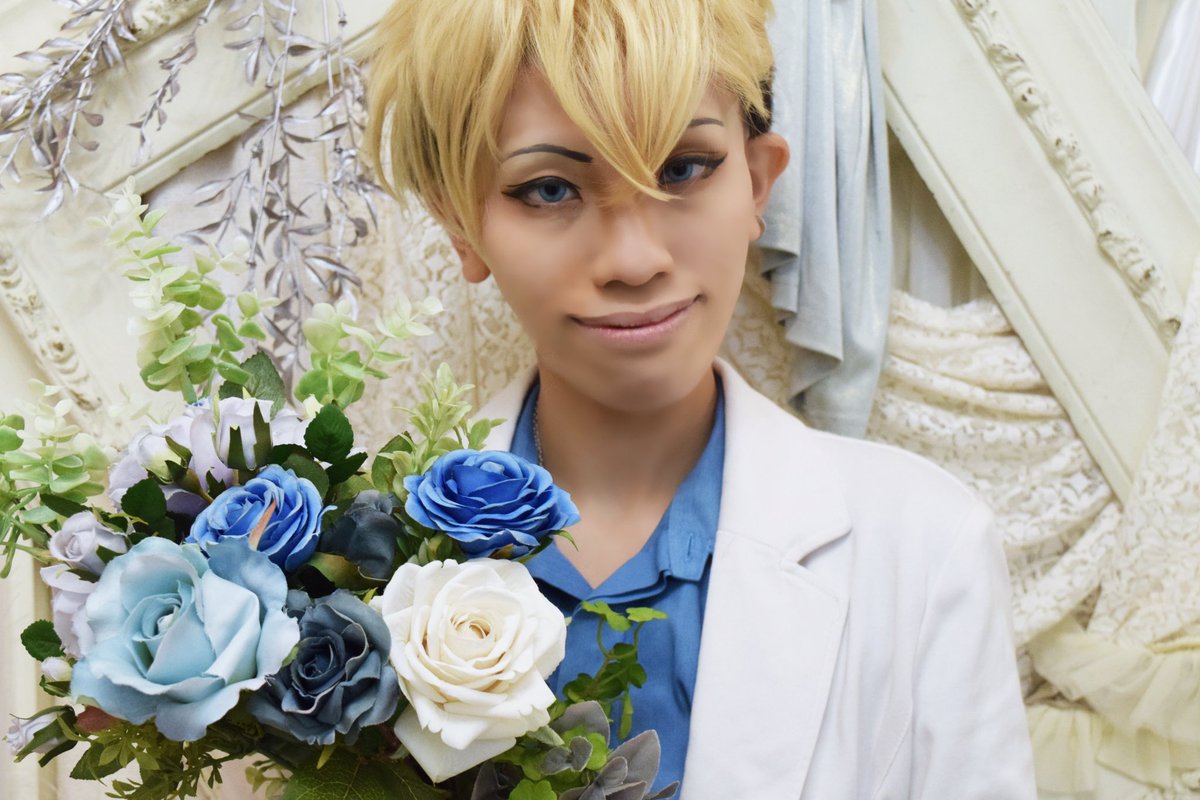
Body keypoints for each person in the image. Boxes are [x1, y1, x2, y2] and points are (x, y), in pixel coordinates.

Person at [365, 1, 1036, 797]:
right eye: (548, 189)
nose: (634, 260)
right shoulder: (348, 565)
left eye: (682, 169)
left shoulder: (927, 547)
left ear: (758, 181)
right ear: (459, 223)